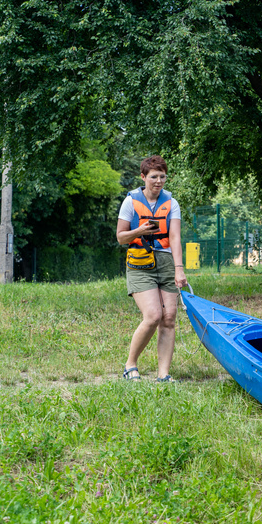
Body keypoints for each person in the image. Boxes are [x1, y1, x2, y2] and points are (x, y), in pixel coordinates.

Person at [116, 155, 187, 382]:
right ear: (143, 177)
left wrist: (179, 269)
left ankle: (163, 374)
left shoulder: (171, 203)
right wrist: (139, 231)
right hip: (139, 264)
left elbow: (174, 237)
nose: (159, 181)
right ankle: (130, 365)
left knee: (169, 318)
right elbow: (120, 237)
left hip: (166, 263)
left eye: (162, 177)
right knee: (153, 315)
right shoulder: (131, 201)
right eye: (154, 177)